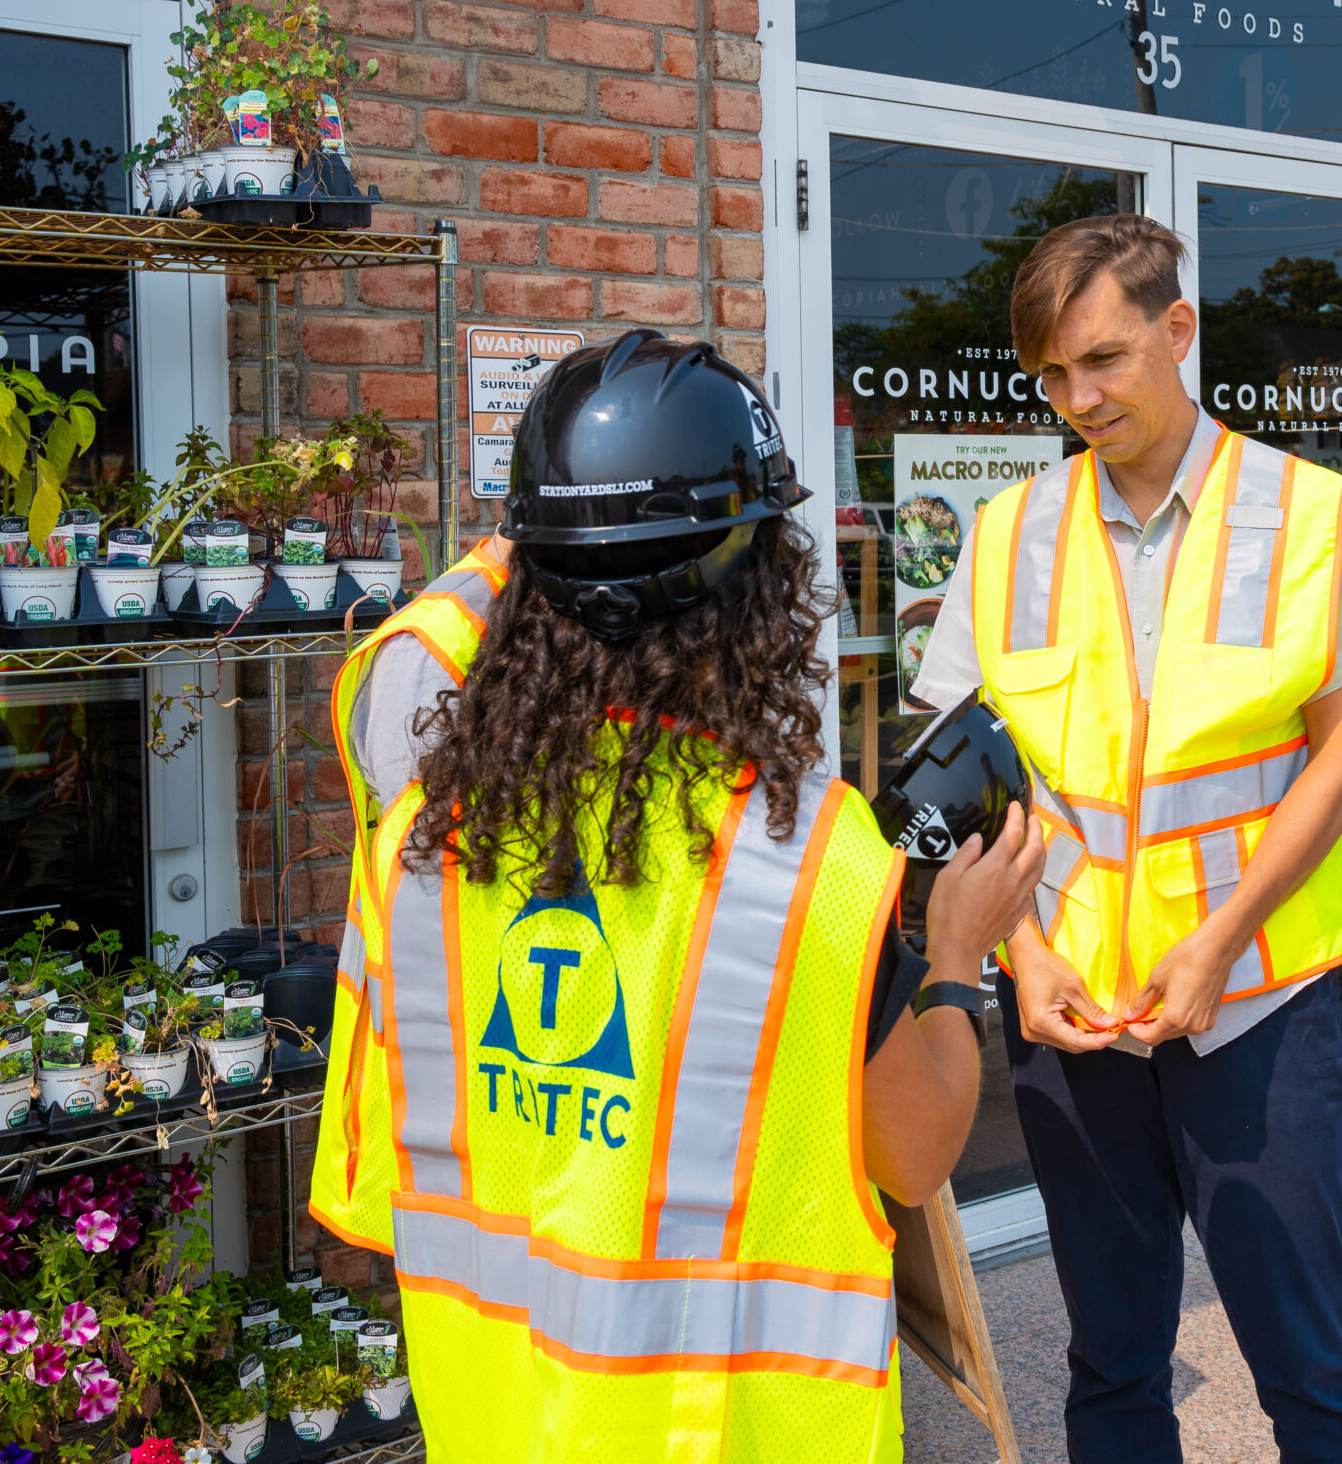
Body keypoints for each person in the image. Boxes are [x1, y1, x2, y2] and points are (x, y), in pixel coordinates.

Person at [309, 329, 1048, 1463]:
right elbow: (915, 1153)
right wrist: (955, 957)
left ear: (523, 584)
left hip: (495, 1423)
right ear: (755, 585)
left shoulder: (421, 839)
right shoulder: (810, 863)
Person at [909, 213, 1342, 1464]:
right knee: (1113, 1363)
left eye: (1104, 360)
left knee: (1308, 1361)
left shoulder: (1313, 512)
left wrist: (1219, 944)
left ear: (1177, 331)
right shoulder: (1006, 531)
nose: (1078, 397)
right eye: (1050, 376)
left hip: (1260, 1004)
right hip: (1071, 1012)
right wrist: (1024, 959)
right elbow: (965, 769)